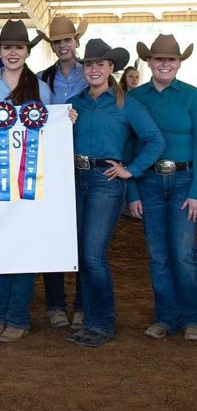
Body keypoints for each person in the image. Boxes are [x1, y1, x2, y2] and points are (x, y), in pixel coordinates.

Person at [66, 39, 164, 347]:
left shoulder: (126, 104)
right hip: (76, 177)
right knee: (83, 255)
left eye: (100, 64)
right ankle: (91, 320)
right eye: (89, 65)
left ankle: (102, 323)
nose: (94, 69)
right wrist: (65, 125)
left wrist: (130, 170)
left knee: (93, 255)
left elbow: (155, 140)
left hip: (105, 181)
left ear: (111, 68)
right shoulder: (75, 104)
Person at [0, 20, 52, 343]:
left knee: (23, 248)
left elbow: (51, 131)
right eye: (7, 47)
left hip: (29, 178)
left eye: (19, 47)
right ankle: (0, 316)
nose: (13, 53)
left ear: (27, 52)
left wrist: (67, 119)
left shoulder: (41, 89)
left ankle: (18, 317)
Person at [128, 35, 197, 341]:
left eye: (171, 59)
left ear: (179, 63)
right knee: (157, 254)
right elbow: (129, 145)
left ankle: (192, 317)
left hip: (184, 180)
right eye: (159, 59)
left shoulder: (192, 96)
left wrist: (196, 191)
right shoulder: (134, 97)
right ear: (150, 62)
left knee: (183, 253)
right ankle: (165, 317)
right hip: (149, 182)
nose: (165, 64)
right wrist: (132, 192)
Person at [36, 16, 89, 330]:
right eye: (57, 42)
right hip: (53, 164)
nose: (62, 45)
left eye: (67, 40)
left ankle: (81, 304)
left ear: (76, 42)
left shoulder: (93, 73)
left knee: (84, 237)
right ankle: (55, 303)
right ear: (52, 46)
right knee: (52, 234)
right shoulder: (42, 79)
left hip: (83, 160)